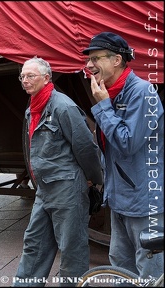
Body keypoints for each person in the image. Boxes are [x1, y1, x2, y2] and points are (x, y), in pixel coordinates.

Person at [13, 56, 103, 287]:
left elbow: (85, 147)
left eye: (30, 76)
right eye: (22, 76)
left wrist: (93, 179)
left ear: (46, 78)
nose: (25, 80)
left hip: (66, 188)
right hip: (45, 188)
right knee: (34, 242)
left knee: (71, 248)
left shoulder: (63, 106)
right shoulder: (33, 107)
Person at [83, 32, 164, 278]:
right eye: (88, 59)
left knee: (150, 273)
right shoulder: (112, 93)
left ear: (117, 60)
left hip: (144, 201)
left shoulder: (142, 93)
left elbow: (127, 143)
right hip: (120, 199)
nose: (89, 65)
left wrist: (103, 106)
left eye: (96, 58)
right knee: (121, 269)